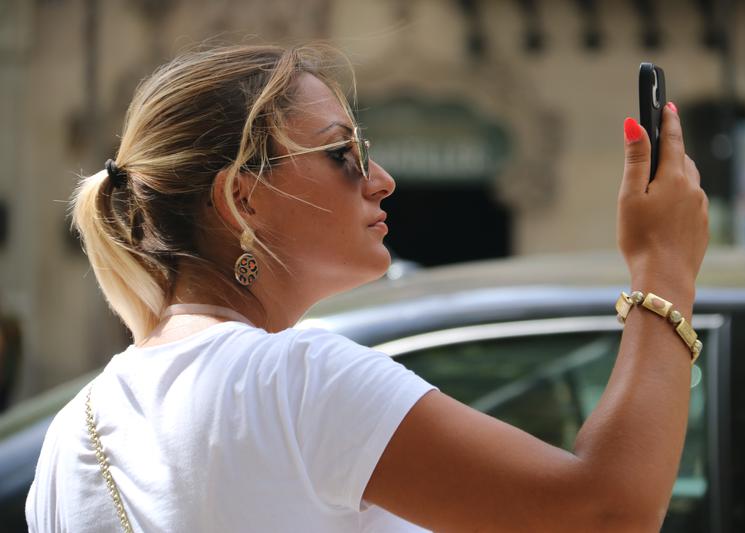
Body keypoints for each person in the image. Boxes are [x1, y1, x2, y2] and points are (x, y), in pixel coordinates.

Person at [25, 43, 708, 532]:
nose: (381, 180)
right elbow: (607, 512)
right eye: (344, 152)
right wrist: (665, 266)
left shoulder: (67, 439)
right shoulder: (298, 379)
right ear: (243, 198)